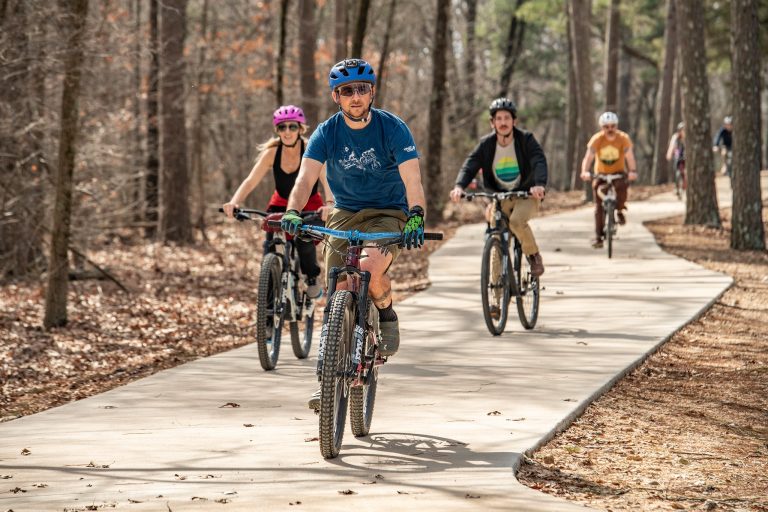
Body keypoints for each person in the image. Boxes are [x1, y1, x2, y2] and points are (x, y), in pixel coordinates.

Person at [279, 59, 427, 408]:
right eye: (348, 91)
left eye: (362, 89)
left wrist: (416, 215)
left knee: (370, 266)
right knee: (337, 286)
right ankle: (328, 378)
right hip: (345, 212)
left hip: (388, 212)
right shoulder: (326, 132)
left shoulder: (393, 128)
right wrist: (292, 210)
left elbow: (413, 179)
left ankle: (386, 312)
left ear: (372, 92)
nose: (355, 96)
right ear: (337, 96)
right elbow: (305, 178)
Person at [222, 105, 332, 299]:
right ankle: (269, 303)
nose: (287, 132)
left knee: (303, 238)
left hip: (310, 205)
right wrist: (234, 202)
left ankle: (312, 278)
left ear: (301, 129)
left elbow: (326, 179)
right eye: (282, 127)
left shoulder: (311, 149)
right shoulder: (272, 153)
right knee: (271, 244)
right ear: (277, 130)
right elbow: (250, 181)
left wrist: (330, 204)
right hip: (280, 204)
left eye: (292, 127)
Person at [449, 97, 548, 278]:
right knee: (496, 238)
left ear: (514, 121)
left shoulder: (525, 139)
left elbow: (538, 160)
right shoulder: (486, 144)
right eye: (499, 119)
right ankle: (495, 297)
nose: (503, 123)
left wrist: (539, 184)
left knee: (517, 221)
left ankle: (534, 256)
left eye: (507, 118)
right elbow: (470, 165)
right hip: (500, 197)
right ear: (492, 122)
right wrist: (459, 186)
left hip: (525, 194)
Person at [579, 111, 637, 248]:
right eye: (606, 127)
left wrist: (632, 171)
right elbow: (588, 158)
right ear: (602, 128)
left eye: (612, 126)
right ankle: (598, 237)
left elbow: (629, 157)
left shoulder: (623, 138)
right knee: (599, 206)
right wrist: (584, 171)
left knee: (622, 187)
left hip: (618, 173)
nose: (610, 129)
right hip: (601, 175)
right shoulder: (597, 139)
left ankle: (620, 210)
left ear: (616, 126)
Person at [666, 121, 686, 192]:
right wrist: (669, 154)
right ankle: (677, 185)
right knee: (677, 166)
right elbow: (672, 146)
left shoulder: (688, 138)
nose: (683, 131)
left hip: (685, 154)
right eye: (682, 130)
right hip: (678, 152)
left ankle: (685, 183)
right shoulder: (675, 137)